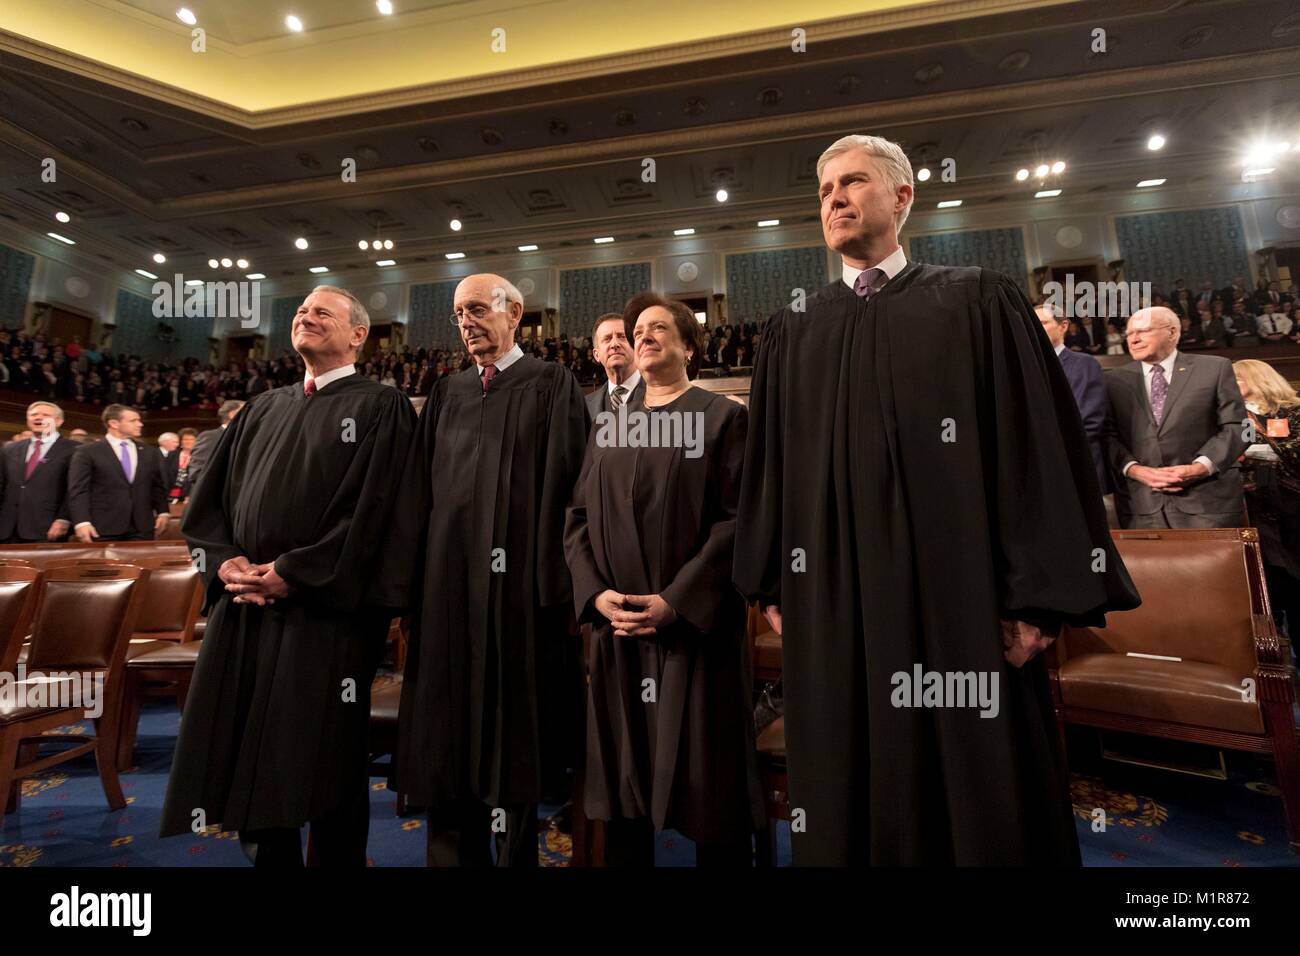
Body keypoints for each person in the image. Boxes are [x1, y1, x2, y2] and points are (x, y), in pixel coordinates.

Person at [732, 133, 1139, 866]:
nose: (835, 200)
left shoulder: (977, 300)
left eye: (853, 183)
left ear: (903, 196)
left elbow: (1033, 454)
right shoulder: (793, 330)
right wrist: (771, 582)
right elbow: (772, 470)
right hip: (836, 605)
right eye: (824, 192)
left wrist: (1035, 603)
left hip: (959, 609)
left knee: (974, 798)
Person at [160, 285, 417, 867]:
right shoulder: (261, 407)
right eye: (301, 310)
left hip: (324, 612)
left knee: (325, 752)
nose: (306, 315)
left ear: (358, 336)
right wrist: (225, 560)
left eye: (323, 311)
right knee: (246, 742)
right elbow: (209, 505)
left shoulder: (381, 406)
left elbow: (377, 513)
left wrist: (294, 572)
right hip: (244, 606)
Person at [394, 273, 589, 867]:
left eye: (477, 309)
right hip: (446, 594)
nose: (466, 322)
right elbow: (414, 498)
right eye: (457, 314)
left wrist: (556, 592)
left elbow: (572, 493)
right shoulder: (446, 393)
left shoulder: (551, 385)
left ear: (515, 313)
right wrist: (411, 592)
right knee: (445, 730)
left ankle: (515, 857)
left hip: (518, 600)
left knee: (514, 736)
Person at [565, 292, 763, 866]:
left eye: (658, 328)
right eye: (636, 329)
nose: (641, 335)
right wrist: (596, 594)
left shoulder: (723, 417)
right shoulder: (608, 428)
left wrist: (675, 602)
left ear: (689, 347)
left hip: (691, 637)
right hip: (618, 635)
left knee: (709, 789)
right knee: (625, 790)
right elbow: (576, 520)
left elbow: (736, 522)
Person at [1105, 307, 1248, 528]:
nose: (1133, 339)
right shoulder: (1114, 380)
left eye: (1143, 331)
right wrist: (1135, 469)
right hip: (1141, 506)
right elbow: (1107, 436)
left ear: (1172, 332)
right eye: (1130, 333)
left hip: (1207, 502)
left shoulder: (1214, 368)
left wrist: (1201, 467)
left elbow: (1239, 427)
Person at [1233, 359, 1300, 642]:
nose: (1231, 384)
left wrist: (1256, 452)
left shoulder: (1290, 409)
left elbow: (1291, 450)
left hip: (1291, 506)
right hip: (1251, 507)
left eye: (1237, 378)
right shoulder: (1231, 415)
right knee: (1265, 581)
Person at [67, 405, 168, 541]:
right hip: (102, 527)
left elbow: (157, 486)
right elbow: (79, 490)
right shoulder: (87, 452)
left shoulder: (150, 452)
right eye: (133, 421)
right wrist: (82, 522)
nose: (140, 424)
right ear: (113, 423)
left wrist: (163, 512)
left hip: (142, 527)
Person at [1037, 305, 1108, 492]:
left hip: (1078, 471)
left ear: (1063, 326)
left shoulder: (1084, 364)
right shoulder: (1022, 367)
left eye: (1042, 323)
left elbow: (1088, 423)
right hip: (1040, 476)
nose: (1034, 328)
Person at [0, 401, 77, 542]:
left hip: (47, 527)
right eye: (33, 415)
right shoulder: (9, 449)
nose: (38, 417)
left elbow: (74, 489)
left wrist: (64, 518)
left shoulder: (76, 450)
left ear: (59, 421)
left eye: (45, 415)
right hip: (7, 528)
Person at [587, 312, 644, 418]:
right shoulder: (586, 405)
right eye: (607, 339)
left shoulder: (662, 395)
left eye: (622, 337)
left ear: (636, 346)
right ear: (596, 355)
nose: (614, 344)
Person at [187, 399, 245, 491]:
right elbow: (197, 473)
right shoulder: (210, 437)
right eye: (247, 412)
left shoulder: (246, 437)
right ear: (233, 414)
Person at [162, 427, 199, 504]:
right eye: (185, 439)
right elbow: (166, 474)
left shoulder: (200, 456)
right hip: (171, 493)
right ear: (181, 441)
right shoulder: (172, 454)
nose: (188, 442)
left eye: (191, 439)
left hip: (191, 495)